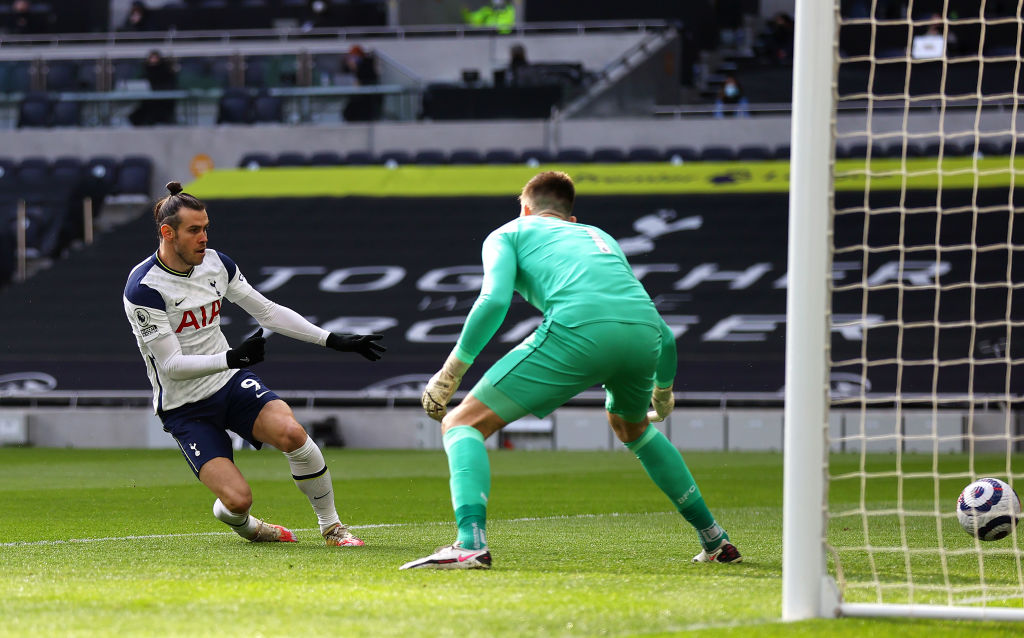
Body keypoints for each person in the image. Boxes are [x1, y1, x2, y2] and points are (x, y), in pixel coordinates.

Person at [402, 171, 740, 570]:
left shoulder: (510, 232)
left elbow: (493, 301)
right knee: (634, 428)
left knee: (463, 424)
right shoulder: (601, 238)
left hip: (579, 328)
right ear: (571, 218)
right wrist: (663, 392)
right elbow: (664, 334)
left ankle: (469, 544)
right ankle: (715, 539)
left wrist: (450, 373)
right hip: (646, 335)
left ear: (526, 209)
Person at [123, 182, 386, 547]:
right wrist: (232, 356)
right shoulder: (143, 289)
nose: (204, 238)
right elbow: (171, 365)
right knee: (237, 501)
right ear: (168, 233)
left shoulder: (216, 263)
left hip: (229, 383)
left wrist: (331, 339)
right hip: (185, 407)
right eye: (194, 230)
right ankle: (248, 527)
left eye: (206, 228)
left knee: (293, 433)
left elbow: (268, 312)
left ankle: (332, 527)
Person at [129, 51, 178, 127]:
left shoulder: (167, 73)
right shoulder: (145, 72)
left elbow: (170, 87)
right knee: (134, 117)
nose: (153, 60)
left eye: (155, 58)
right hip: (148, 105)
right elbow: (141, 86)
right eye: (152, 58)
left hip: (163, 104)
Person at [341, 45, 381, 122]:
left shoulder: (366, 67)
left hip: (367, 101)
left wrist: (355, 69)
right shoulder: (355, 68)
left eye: (354, 57)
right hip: (361, 100)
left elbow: (365, 80)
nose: (352, 60)